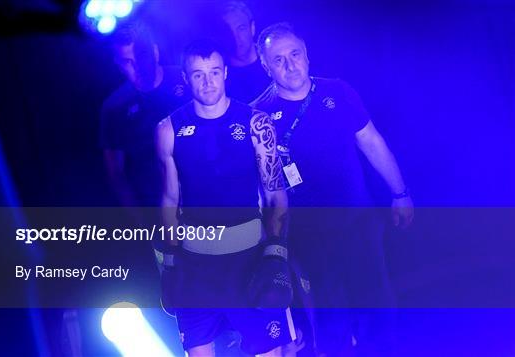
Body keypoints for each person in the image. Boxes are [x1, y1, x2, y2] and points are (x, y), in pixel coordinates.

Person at [252, 22, 414, 356]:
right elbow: (262, 186)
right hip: (307, 237)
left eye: (295, 54)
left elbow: (371, 141)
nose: (290, 64)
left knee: (377, 308)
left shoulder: (337, 92)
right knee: (329, 317)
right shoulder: (261, 116)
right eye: (278, 59)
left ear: (307, 55)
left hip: (358, 223)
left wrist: (400, 193)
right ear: (266, 66)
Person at [155, 39, 296, 356]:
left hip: (249, 259)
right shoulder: (168, 129)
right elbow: (168, 200)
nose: (208, 82)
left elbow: (276, 194)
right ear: (185, 78)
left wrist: (276, 252)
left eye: (214, 72)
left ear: (225, 73)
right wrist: (170, 261)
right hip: (194, 266)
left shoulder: (255, 123)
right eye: (199, 74)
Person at [100, 22, 188, 207]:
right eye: (127, 61)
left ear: (155, 52)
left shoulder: (185, 77)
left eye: (141, 57)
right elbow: (116, 174)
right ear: (118, 64)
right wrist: (140, 224)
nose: (137, 67)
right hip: (157, 206)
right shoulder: (114, 108)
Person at [220, 1, 272, 104]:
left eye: (241, 28)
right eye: (228, 31)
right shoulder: (219, 77)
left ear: (252, 28)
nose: (235, 37)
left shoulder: (274, 60)